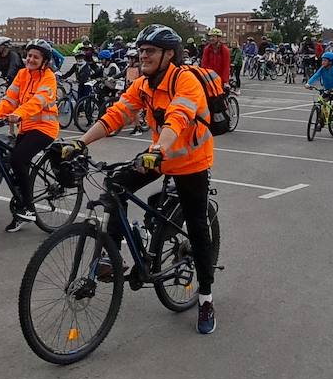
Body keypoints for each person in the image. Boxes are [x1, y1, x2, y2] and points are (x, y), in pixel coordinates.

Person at [59, 24, 220, 335]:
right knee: (115, 182)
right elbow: (117, 114)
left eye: (150, 51)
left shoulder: (185, 81)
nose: (142, 55)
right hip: (159, 154)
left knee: (198, 228)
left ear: (168, 54)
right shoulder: (144, 84)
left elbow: (178, 118)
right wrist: (81, 142)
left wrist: (159, 149)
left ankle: (206, 298)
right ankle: (113, 253)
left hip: (190, 160)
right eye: (141, 50)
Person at [0, 38, 61, 233]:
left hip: (45, 129)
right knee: (12, 163)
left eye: (36, 57)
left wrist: (18, 114)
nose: (30, 59)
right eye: (29, 55)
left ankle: (29, 208)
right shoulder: (22, 75)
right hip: (26, 128)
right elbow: (9, 99)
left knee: (17, 159)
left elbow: (38, 101)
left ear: (44, 61)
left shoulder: (48, 78)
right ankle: (20, 208)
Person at [305, 51, 333, 138]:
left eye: (325, 60)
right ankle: (321, 122)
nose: (323, 62)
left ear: (330, 62)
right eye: (322, 60)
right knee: (320, 103)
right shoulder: (322, 68)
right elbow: (316, 75)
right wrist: (309, 83)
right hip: (327, 90)